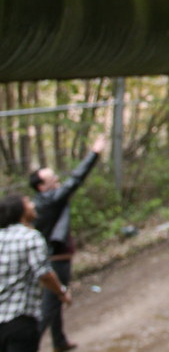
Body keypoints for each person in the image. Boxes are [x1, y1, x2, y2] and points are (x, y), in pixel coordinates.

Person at [28, 135, 105, 352]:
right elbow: (76, 179)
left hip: (53, 256)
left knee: (54, 301)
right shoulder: (51, 200)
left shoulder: (43, 201)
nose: (56, 179)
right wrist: (94, 153)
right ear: (41, 186)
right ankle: (28, 346)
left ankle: (59, 340)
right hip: (56, 259)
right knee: (52, 302)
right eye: (51, 178)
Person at [0, 194, 71, 352]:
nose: (33, 205)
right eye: (28, 203)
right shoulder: (30, 237)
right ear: (20, 211)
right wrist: (61, 292)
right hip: (20, 320)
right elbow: (45, 274)